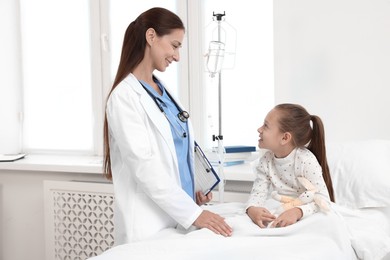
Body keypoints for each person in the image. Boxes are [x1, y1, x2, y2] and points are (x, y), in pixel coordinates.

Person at [102, 7, 232, 245]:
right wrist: (193, 214)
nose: (177, 56)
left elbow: (178, 153)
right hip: (149, 222)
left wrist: (191, 190)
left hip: (179, 215)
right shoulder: (124, 97)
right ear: (151, 37)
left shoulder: (164, 92)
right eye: (175, 45)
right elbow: (145, 166)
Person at [246, 103, 335, 228]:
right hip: (281, 208)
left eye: (265, 126)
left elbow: (323, 200)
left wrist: (297, 212)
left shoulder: (305, 161)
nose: (259, 129)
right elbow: (258, 193)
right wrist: (252, 209)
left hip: (307, 212)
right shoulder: (266, 160)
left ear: (285, 137)